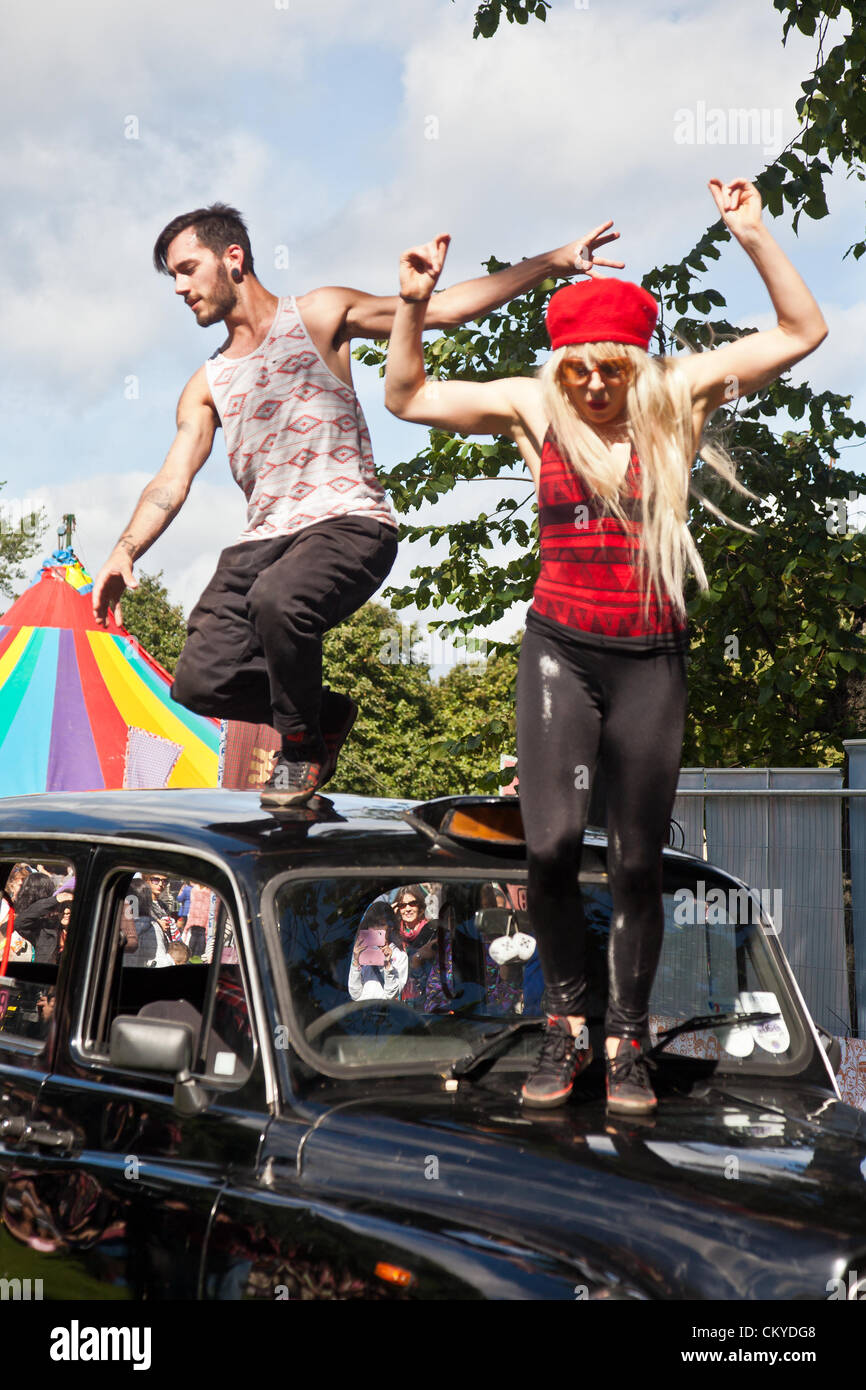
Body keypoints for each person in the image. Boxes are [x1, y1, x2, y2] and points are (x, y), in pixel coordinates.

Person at [384, 178, 827, 1113]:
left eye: (608, 371)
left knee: (634, 859)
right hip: (561, 652)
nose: (591, 387)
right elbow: (408, 396)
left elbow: (800, 333)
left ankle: (626, 1040)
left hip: (650, 659)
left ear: (635, 361)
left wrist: (753, 236)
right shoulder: (534, 405)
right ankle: (567, 1026)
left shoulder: (675, 395)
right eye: (576, 369)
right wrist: (415, 307)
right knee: (546, 848)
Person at [91, 203, 622, 807]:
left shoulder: (320, 314)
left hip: (348, 524)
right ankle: (324, 715)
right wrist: (124, 549)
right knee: (198, 681)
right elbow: (172, 477)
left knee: (279, 600)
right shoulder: (206, 383)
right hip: (263, 540)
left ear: (232, 258)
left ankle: (299, 750)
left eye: (188, 269)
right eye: (174, 277)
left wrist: (553, 261)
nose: (181, 288)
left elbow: (446, 309)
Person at [348, 902, 407, 1001]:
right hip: (362, 1012)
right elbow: (355, 994)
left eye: (381, 924)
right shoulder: (361, 952)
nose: (375, 929)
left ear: (391, 927)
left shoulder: (400, 955)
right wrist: (356, 962)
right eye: (372, 924)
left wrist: (387, 965)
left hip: (384, 1012)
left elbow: (391, 994)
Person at [393, 885, 437, 1006]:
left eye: (412, 903)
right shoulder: (392, 934)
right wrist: (387, 920)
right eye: (402, 905)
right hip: (398, 1002)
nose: (407, 909)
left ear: (420, 906)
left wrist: (417, 960)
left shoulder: (432, 931)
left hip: (425, 1001)